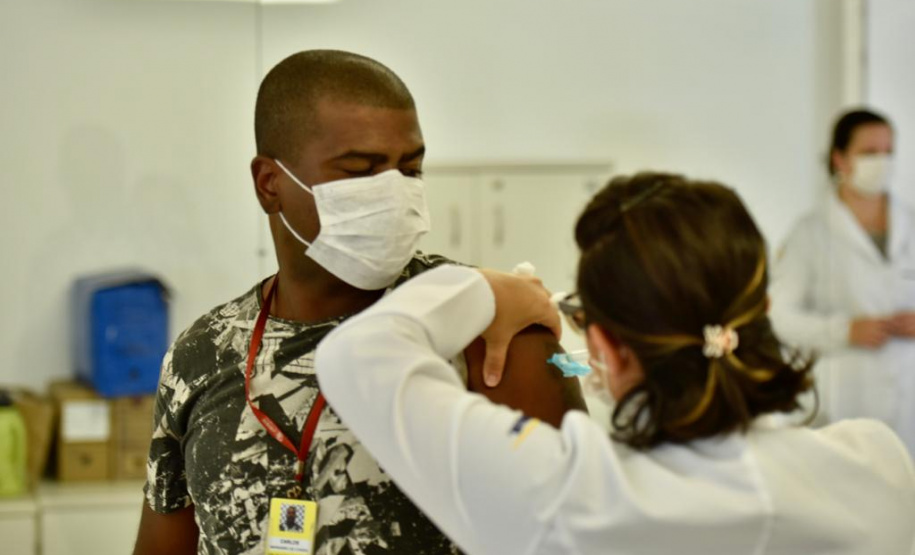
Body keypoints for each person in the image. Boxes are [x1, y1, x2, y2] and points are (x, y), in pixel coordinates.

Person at [315, 173, 915, 555]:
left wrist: (485, 290)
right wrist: (591, 358)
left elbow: (356, 354)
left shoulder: (572, 500)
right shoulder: (879, 462)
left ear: (610, 347)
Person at [133, 50, 585, 555]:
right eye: (361, 171)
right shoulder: (203, 354)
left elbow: (574, 530)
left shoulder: (490, 327)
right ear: (270, 184)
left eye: (409, 169)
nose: (392, 193)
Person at [770, 108, 915, 457]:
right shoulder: (811, 233)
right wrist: (844, 330)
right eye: (869, 153)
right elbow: (779, 317)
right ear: (840, 159)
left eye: (887, 152)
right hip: (846, 399)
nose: (881, 161)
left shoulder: (910, 222)